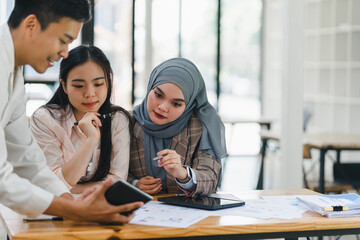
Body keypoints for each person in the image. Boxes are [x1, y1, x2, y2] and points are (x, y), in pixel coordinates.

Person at [0, 0, 142, 223]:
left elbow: (26, 159)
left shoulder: (14, 72)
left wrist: (71, 201)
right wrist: (75, 209)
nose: (65, 53)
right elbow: (2, 179)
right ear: (31, 25)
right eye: (63, 40)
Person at [30, 45, 132, 194]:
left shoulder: (117, 120)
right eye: (79, 86)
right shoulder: (45, 120)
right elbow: (51, 185)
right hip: (56, 206)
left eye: (98, 84)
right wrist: (90, 140)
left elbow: (117, 182)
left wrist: (72, 188)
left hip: (99, 205)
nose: (90, 93)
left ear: (109, 82)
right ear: (64, 85)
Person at [128, 57, 226, 196]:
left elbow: (211, 179)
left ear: (189, 105)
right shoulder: (127, 121)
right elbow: (108, 173)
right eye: (158, 95)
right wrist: (134, 184)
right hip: (136, 210)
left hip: (186, 212)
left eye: (176, 104)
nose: (162, 107)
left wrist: (182, 173)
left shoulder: (199, 127)